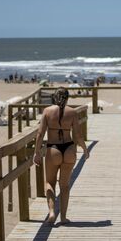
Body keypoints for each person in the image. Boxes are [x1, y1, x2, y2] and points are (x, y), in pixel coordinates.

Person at [34, 88, 89, 225]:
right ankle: (63, 217)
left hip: (53, 149)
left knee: (50, 183)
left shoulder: (47, 111)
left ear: (55, 97)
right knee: (64, 186)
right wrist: (85, 148)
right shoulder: (72, 112)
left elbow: (40, 134)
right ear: (67, 98)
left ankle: (52, 212)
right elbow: (78, 135)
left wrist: (37, 152)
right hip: (69, 149)